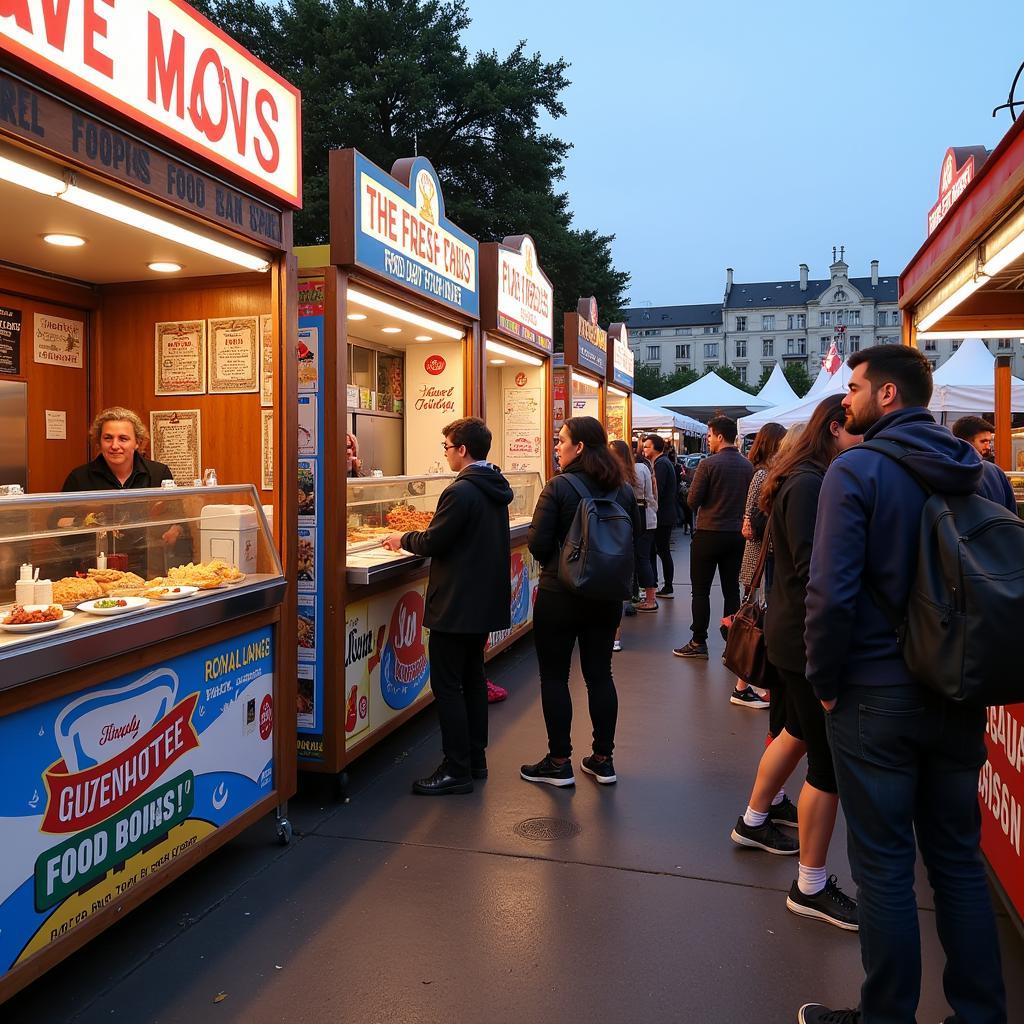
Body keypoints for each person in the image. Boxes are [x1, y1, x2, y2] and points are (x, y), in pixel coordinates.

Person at [797, 346, 1011, 1024]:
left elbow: (829, 593)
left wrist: (824, 683)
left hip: (872, 691)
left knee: (885, 866)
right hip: (959, 688)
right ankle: (980, 1014)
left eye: (854, 387)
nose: (847, 398)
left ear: (888, 395)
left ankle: (886, 1016)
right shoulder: (983, 473)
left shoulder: (855, 470)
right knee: (955, 857)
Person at [731, 396, 862, 937]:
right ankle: (809, 885)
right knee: (826, 768)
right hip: (806, 640)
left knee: (794, 732)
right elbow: (817, 573)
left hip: (789, 633)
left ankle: (754, 819)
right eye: (858, 432)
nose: (863, 442)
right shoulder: (810, 483)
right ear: (835, 429)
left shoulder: (795, 476)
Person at [382, 417, 513, 796]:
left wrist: (400, 537)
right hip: (481, 601)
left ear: (462, 450)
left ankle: (456, 768)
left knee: (448, 685)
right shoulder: (492, 486)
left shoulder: (461, 491)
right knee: (472, 680)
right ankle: (475, 759)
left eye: (447, 447)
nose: (445, 454)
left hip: (457, 603)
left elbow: (434, 541)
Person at [521, 416, 641, 787]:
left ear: (579, 447)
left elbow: (538, 543)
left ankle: (559, 762)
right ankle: (603, 759)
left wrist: (558, 561)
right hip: (606, 597)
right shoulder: (621, 488)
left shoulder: (558, 487)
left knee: (554, 676)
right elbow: (632, 538)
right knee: (600, 675)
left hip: (561, 593)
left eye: (561, 441)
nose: (557, 447)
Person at [61, 407, 183, 575]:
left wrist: (174, 530)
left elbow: (179, 518)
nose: (114, 445)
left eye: (123, 439)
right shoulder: (79, 478)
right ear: (99, 441)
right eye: (108, 438)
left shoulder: (158, 473)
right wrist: (85, 519)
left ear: (137, 442)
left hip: (147, 569)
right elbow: (57, 522)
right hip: (95, 571)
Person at [674, 416, 753, 659]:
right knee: (732, 590)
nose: (708, 440)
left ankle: (699, 640)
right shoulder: (747, 466)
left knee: (700, 590)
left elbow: (692, 501)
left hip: (708, 534)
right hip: (736, 535)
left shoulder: (708, 465)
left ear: (720, 436)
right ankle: (731, 641)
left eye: (709, 436)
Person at [731, 421, 787, 708]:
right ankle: (748, 685)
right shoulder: (764, 473)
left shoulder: (764, 472)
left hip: (760, 552)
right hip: (761, 553)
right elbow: (752, 517)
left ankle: (745, 684)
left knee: (759, 619)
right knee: (759, 620)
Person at [611, 439, 657, 641]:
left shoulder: (617, 476)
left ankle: (644, 598)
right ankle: (644, 596)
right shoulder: (641, 469)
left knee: (639, 559)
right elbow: (651, 493)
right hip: (644, 516)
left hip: (629, 520)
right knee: (641, 558)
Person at [952, 415, 1016, 507]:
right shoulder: (996, 472)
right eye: (983, 441)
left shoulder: (996, 472)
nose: (988, 447)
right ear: (965, 442)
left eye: (989, 442)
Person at [641, 434, 677, 598]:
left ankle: (665, 585)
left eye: (647, 446)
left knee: (660, 550)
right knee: (659, 550)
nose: (644, 449)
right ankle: (658, 583)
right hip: (664, 514)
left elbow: (657, 491)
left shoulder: (661, 464)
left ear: (656, 447)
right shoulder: (661, 463)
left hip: (662, 516)